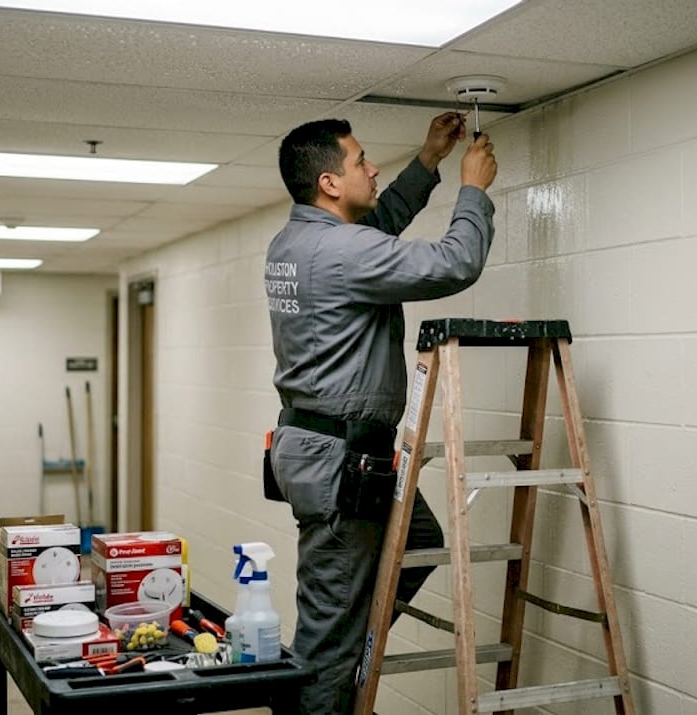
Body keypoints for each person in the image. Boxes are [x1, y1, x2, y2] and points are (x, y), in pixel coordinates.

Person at [263, 111, 498, 714]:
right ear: (330, 183)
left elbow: (378, 232)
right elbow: (454, 263)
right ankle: (327, 671)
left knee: (417, 541)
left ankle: (338, 649)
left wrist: (428, 163)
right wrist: (472, 189)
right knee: (327, 634)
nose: (372, 167)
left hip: (324, 448)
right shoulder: (340, 251)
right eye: (361, 160)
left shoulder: (297, 240)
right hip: (339, 460)